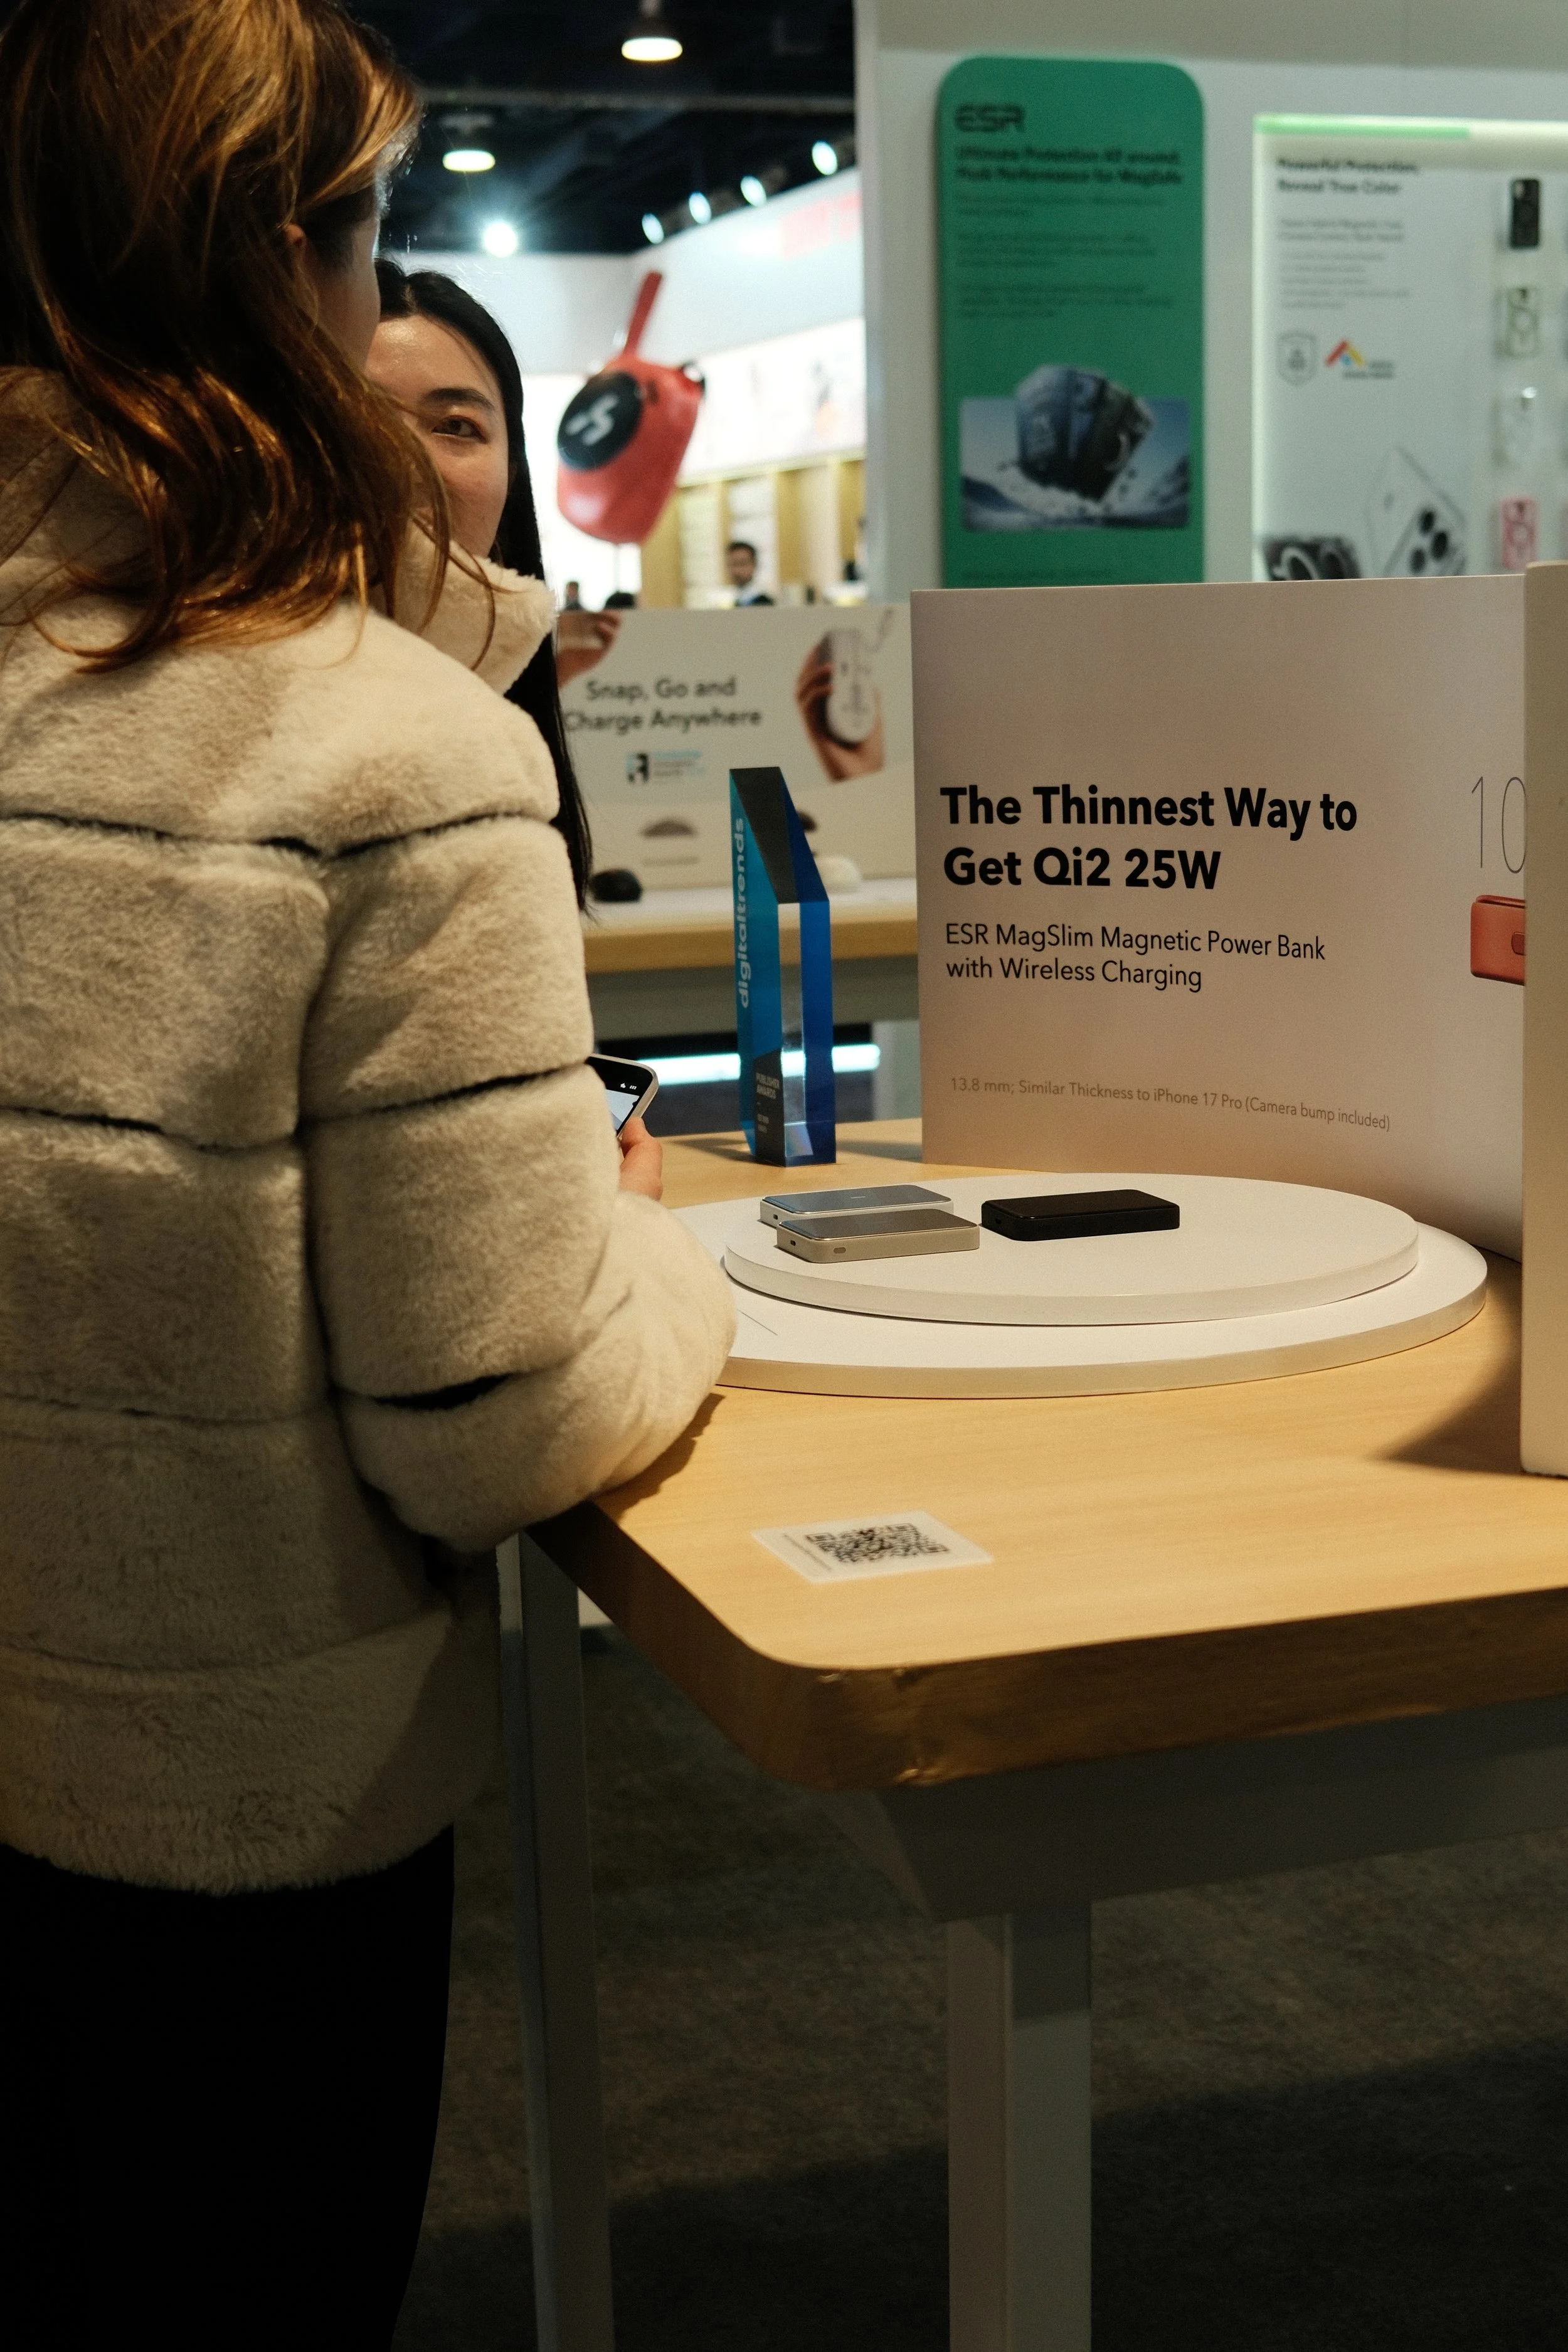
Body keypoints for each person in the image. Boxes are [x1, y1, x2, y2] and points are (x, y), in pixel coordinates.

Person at [0, 3, 733, 2345]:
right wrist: (655, 1255)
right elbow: (497, 1409)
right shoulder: (385, 750)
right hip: (225, 1816)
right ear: (294, 269)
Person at [369, 257, 604, 888]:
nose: (409, 460)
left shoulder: (508, 741)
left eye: (456, 427)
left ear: (511, 476)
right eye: (363, 417)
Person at [726, 536, 775, 605]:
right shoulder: (733, 599)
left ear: (755, 564)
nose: (737, 570)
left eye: (742, 564)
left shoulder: (764, 602)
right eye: (733, 564)